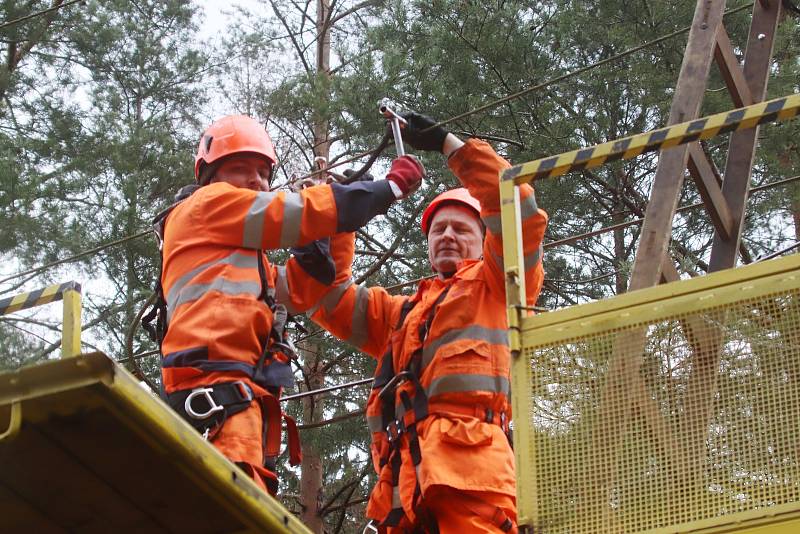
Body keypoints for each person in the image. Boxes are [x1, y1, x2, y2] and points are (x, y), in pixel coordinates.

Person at [142, 114, 425, 494]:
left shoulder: (239, 256)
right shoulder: (205, 205)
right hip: (215, 394)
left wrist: (337, 231)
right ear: (209, 177)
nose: (256, 181)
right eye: (241, 169)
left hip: (237, 403)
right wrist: (382, 190)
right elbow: (294, 213)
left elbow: (300, 291)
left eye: (262, 172)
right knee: (229, 508)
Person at [298, 113, 548, 532]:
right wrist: (340, 219)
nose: (447, 236)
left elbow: (516, 206)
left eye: (460, 227)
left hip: (475, 484)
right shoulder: (403, 315)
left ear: (484, 236)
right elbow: (329, 299)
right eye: (438, 230)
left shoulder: (498, 286)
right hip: (402, 492)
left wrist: (450, 146)